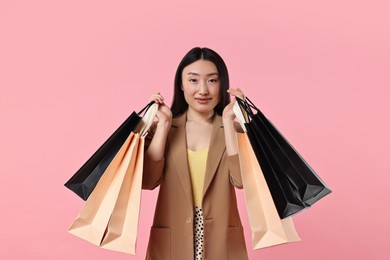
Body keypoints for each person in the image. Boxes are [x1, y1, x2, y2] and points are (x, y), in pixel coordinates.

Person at [142, 47, 248, 260]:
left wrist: (229, 122)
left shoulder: (234, 131)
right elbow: (148, 180)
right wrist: (163, 126)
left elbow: (240, 180)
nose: (203, 90)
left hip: (220, 241)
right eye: (193, 80)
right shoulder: (165, 129)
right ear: (181, 84)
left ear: (222, 85)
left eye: (212, 80)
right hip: (173, 240)